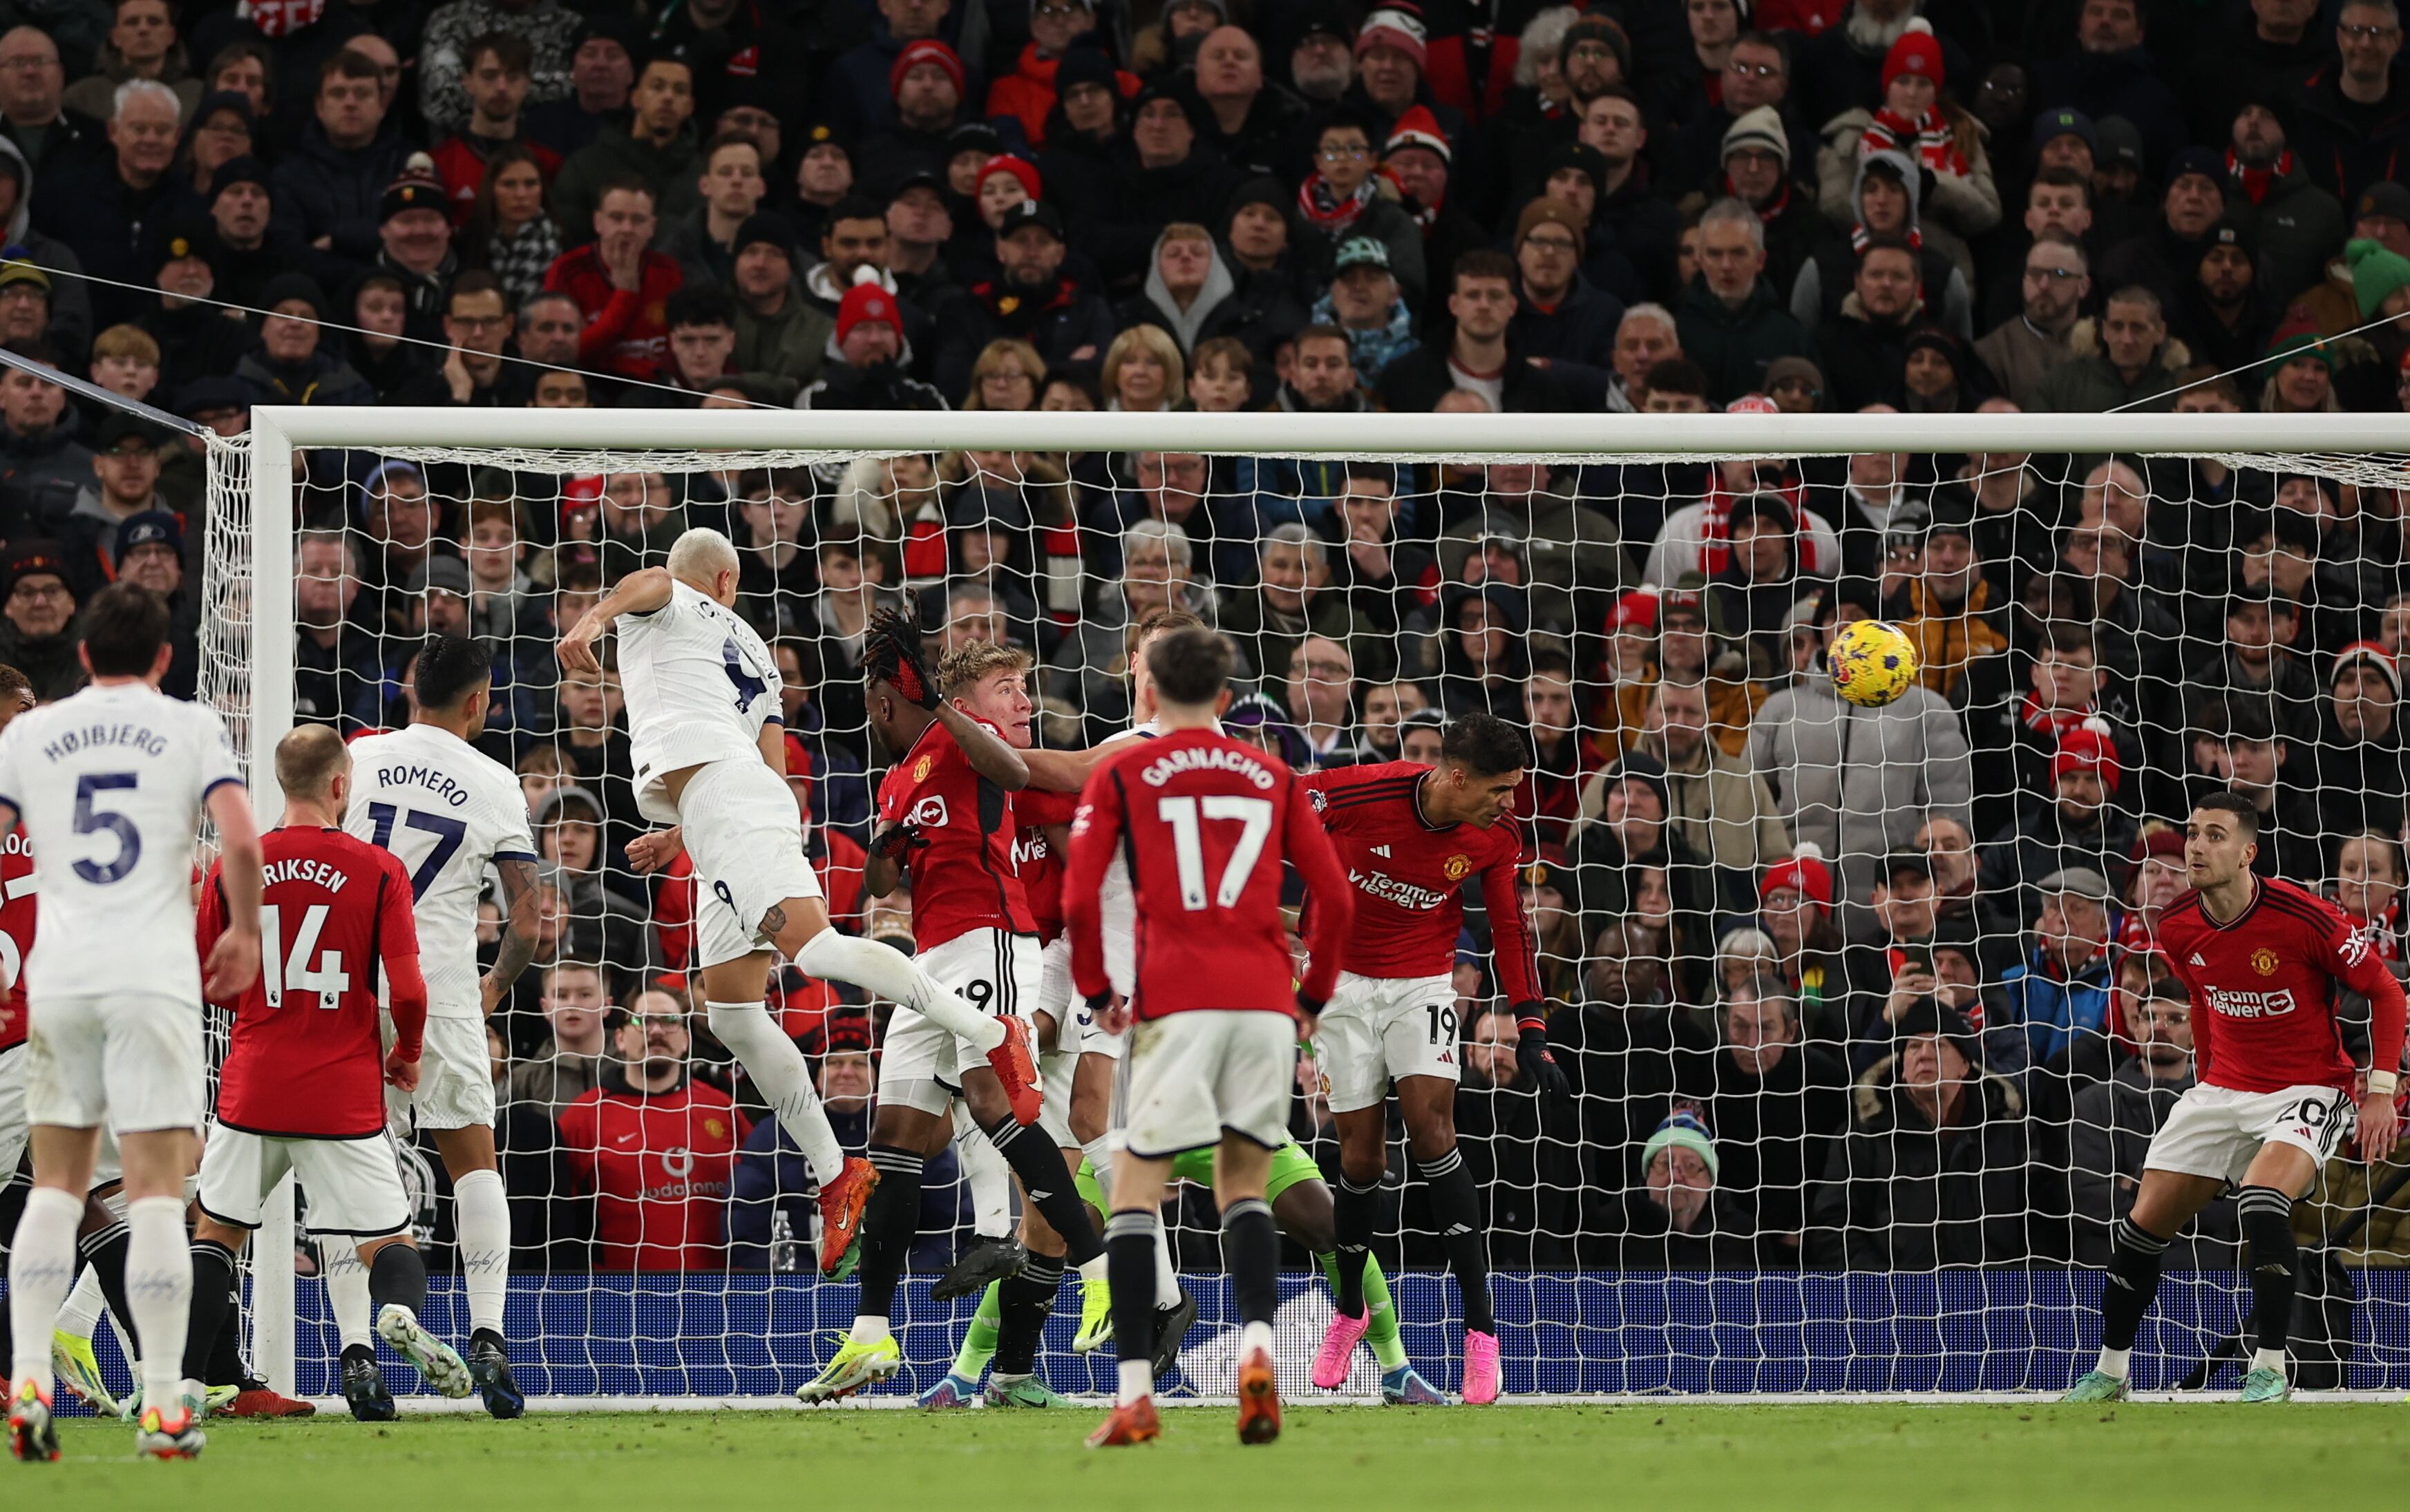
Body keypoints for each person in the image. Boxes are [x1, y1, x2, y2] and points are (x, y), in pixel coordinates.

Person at [796, 618, 1101, 1404]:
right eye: (1008, 688)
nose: (1025, 700)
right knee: (895, 1140)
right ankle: (870, 1335)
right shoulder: (900, 777)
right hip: (928, 958)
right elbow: (879, 883)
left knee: (998, 1105)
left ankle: (1101, 1269)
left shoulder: (971, 745)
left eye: (1024, 688)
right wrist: (886, 846)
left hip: (990, 940)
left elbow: (1022, 770)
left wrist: (938, 704)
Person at [1067, 624, 1354, 1448]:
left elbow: (1081, 899)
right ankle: (1258, 1354)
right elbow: (1334, 899)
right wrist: (1312, 997)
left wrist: (1098, 990)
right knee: (1244, 1185)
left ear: (1149, 691)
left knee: (1135, 1187)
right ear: (1225, 698)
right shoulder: (1274, 774)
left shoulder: (1120, 769)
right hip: (1262, 1002)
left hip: (1174, 999)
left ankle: (1133, 1394)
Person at [1, 581, 261, 1462]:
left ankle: (27, 1381)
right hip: (151, 978)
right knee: (154, 1192)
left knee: (55, 1187)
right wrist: (244, 931)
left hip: (61, 979)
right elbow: (240, 838)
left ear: (82, 654)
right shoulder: (190, 725)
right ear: (164, 657)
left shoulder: (31, 732)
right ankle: (161, 1405)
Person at [2063, 794, 2407, 1403]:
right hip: (2225, 1088)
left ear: (2248, 852)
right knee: (2142, 1225)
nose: (2197, 846)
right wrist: (2208, 1075)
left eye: (2215, 835)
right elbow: (2202, 996)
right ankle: (2110, 1373)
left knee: (2263, 1201)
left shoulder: (2307, 916)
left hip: (2309, 1087)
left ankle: (2269, 1369)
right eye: (2193, 833)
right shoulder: (2176, 925)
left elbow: (2387, 992)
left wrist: (2380, 1090)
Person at [189, 725, 472, 1422]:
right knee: (388, 1241)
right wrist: (407, 1050)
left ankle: (182, 1385)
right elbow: (409, 989)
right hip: (341, 1094)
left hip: (255, 1083)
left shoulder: (233, 865)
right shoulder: (378, 869)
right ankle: (397, 1314)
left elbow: (207, 976)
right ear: (340, 784)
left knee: (217, 1234)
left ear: (280, 782)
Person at [1299, 711, 1559, 1408]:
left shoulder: (1497, 835)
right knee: (1360, 1158)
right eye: (1499, 788)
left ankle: (1481, 1334)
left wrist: (1531, 1024)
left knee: (1432, 1132)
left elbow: (1508, 925)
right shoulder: (1359, 791)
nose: (1508, 802)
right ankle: (1350, 1310)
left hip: (1422, 981)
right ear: (1456, 776)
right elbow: (1277, 812)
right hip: (1339, 984)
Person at [338, 635, 544, 1419]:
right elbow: (527, 918)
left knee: (349, 1173)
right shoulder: (494, 781)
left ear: (409, 689)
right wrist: (494, 985)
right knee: (474, 1166)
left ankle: (357, 1354)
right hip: (442, 987)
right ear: (478, 701)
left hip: (349, 984)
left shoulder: (359, 756)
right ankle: (488, 1335)